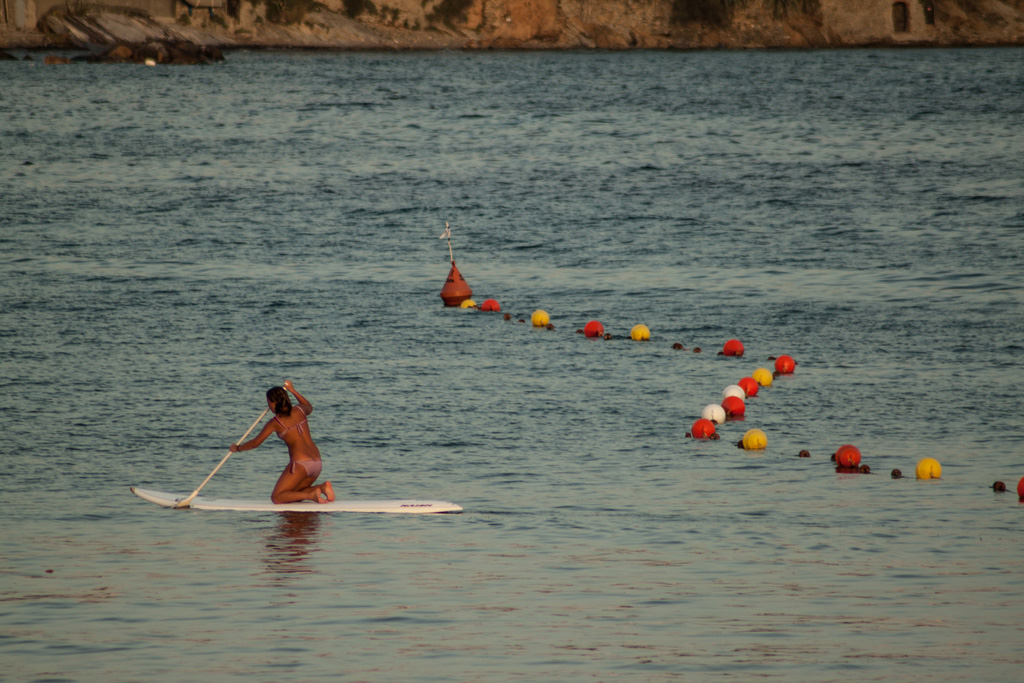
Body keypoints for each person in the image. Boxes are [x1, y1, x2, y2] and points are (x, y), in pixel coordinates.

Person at [230, 381, 334, 504]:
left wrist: (237, 448)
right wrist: (292, 390)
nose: (269, 406)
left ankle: (312, 496)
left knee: (277, 498)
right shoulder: (299, 410)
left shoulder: (275, 423)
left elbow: (255, 443)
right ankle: (321, 488)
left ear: (274, 403)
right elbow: (309, 407)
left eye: (269, 403)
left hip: (300, 464)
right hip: (317, 463)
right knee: (295, 492)